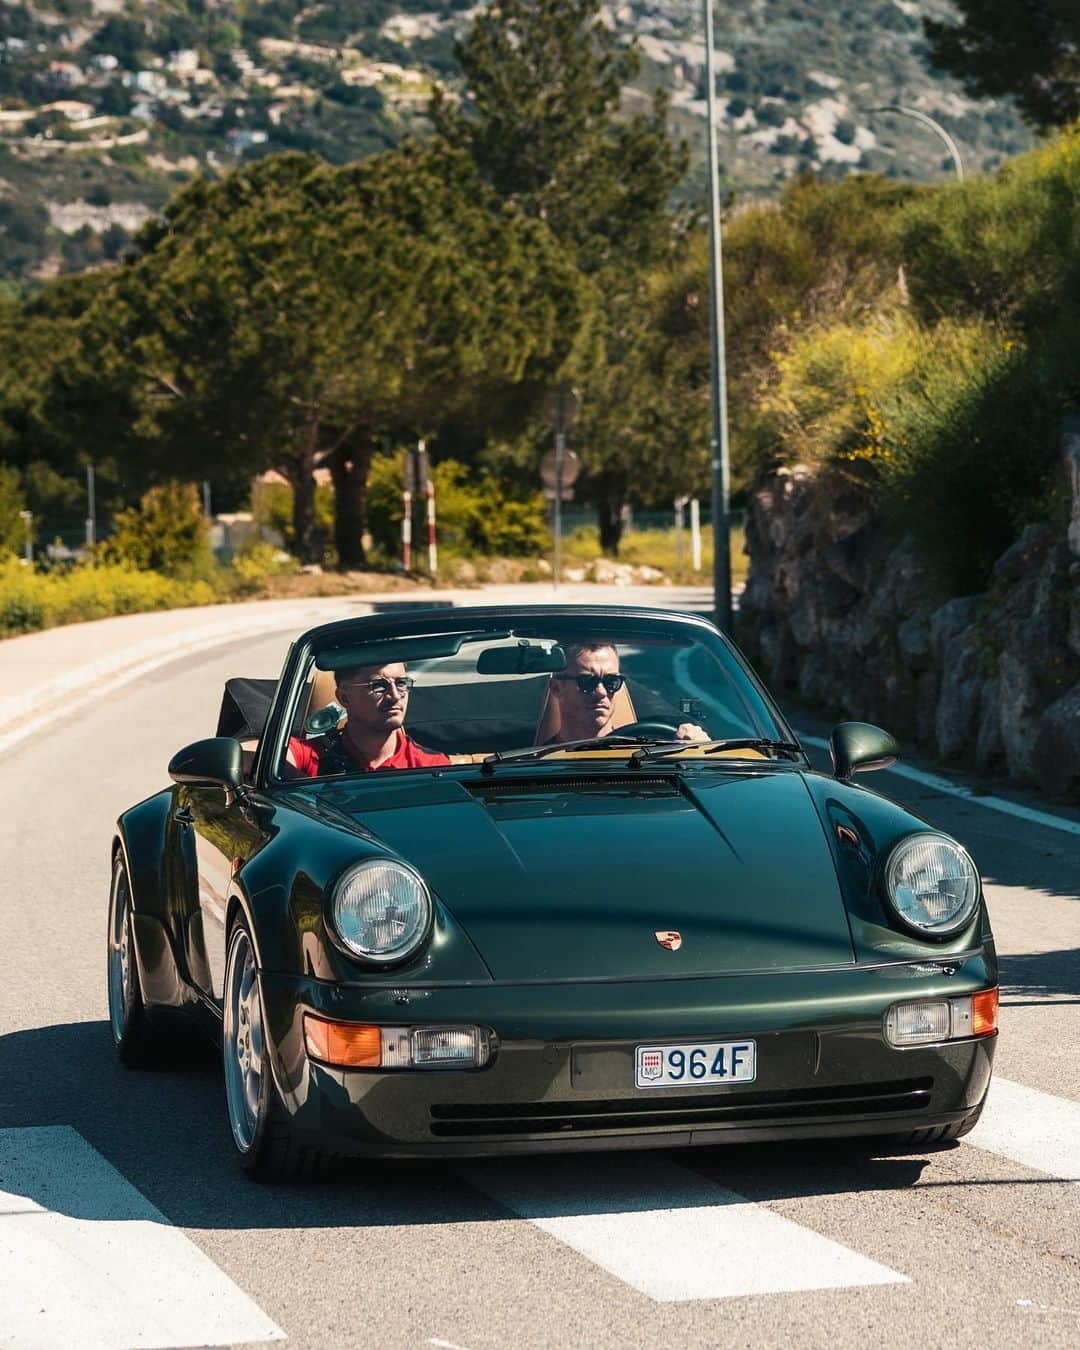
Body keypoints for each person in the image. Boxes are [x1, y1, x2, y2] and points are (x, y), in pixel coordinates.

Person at [287, 661, 450, 776]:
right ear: (345, 698)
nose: (394, 696)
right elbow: (263, 754)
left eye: (401, 683)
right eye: (378, 686)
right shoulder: (312, 755)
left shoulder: (431, 766)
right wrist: (305, 793)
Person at [548, 642, 708, 743]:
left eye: (612, 682)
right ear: (556, 688)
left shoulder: (653, 751)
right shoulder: (533, 761)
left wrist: (698, 746)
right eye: (587, 682)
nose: (601, 692)